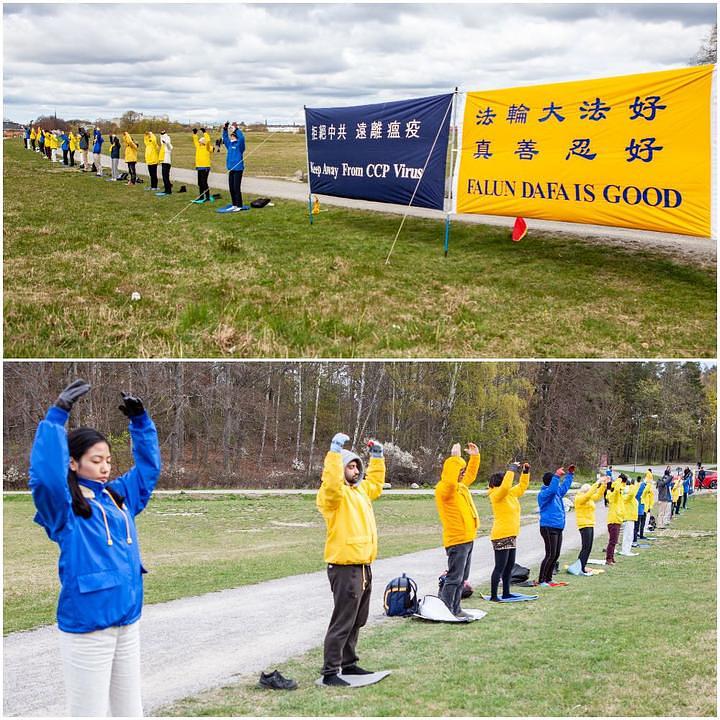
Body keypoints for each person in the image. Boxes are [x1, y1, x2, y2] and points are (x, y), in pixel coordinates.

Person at [28, 379, 161, 716]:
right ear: (73, 463)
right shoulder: (65, 509)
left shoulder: (117, 496)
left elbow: (147, 472)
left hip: (127, 622)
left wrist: (141, 423)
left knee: (131, 712)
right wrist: (56, 418)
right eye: (96, 460)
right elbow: (45, 478)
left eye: (108, 461)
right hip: (88, 631)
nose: (105, 467)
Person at [316, 433, 385, 687]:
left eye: (357, 466)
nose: (355, 470)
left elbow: (375, 484)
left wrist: (377, 457)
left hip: (363, 565)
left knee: (358, 619)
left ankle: (349, 663)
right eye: (350, 466)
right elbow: (332, 483)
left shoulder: (360, 491)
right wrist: (334, 453)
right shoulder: (332, 496)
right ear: (340, 469)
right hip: (344, 567)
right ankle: (330, 671)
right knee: (343, 620)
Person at [434, 442, 480, 615]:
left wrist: (474, 457)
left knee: (462, 578)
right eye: (459, 471)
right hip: (457, 540)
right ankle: (446, 610)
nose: (462, 474)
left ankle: (456, 608)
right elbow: (451, 482)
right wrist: (455, 458)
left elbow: (470, 475)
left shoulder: (460, 487)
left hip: (467, 538)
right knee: (454, 578)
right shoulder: (445, 489)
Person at [487, 461, 530, 600]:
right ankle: (494, 595)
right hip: (501, 535)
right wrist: (511, 469)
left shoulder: (510, 493)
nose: (509, 483)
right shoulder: (496, 495)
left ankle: (506, 592)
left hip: (511, 535)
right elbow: (505, 487)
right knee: (499, 567)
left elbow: (522, 487)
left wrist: (525, 472)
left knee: (509, 566)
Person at [536, 465, 574, 586]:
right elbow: (552, 489)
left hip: (558, 527)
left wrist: (570, 475)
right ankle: (541, 580)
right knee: (550, 554)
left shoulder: (556, 492)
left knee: (556, 554)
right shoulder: (544, 494)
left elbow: (564, 487)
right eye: (555, 480)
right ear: (551, 482)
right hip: (548, 527)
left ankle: (549, 578)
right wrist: (557, 475)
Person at [573, 478, 605, 574]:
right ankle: (580, 567)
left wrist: (603, 485)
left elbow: (598, 495)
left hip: (590, 523)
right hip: (584, 524)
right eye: (589, 491)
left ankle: (582, 565)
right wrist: (597, 483)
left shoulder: (589, 498)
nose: (590, 493)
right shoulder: (579, 498)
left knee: (589, 546)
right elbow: (588, 495)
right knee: (586, 546)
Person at [222, 121, 247, 211]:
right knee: (231, 188)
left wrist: (236, 129)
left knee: (236, 188)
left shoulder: (239, 146)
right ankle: (234, 205)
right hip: (231, 169)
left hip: (238, 169)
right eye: (231, 136)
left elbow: (242, 138)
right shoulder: (229, 145)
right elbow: (225, 138)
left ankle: (239, 205)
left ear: (236, 137)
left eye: (233, 136)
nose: (231, 137)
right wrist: (225, 129)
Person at [605, 474, 624, 564]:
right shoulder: (614, 496)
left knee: (614, 541)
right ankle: (609, 558)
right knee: (613, 541)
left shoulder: (612, 495)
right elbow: (616, 490)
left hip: (616, 520)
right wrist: (619, 480)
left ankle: (611, 557)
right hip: (614, 520)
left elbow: (613, 490)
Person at [191, 127, 213, 204]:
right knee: (200, 183)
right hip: (199, 167)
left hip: (205, 167)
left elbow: (208, 141)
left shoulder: (208, 147)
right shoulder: (198, 147)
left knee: (204, 183)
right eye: (199, 141)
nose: (199, 142)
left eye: (200, 141)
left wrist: (205, 132)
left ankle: (207, 197)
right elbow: (195, 141)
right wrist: (194, 134)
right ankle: (201, 197)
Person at [631, 475, 647, 545]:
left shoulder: (637, 491)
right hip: (637, 511)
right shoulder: (635, 492)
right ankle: (634, 540)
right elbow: (640, 492)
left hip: (640, 510)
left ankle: (635, 538)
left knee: (637, 526)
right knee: (636, 526)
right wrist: (644, 484)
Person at [157, 130, 173, 196]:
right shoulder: (163, 145)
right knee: (164, 176)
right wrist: (162, 136)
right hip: (163, 161)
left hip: (167, 162)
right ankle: (166, 190)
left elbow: (171, 147)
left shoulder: (168, 144)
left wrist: (166, 142)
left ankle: (168, 191)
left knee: (166, 176)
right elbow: (162, 138)